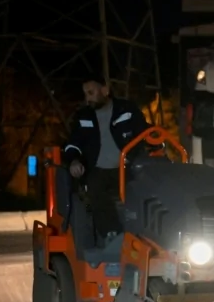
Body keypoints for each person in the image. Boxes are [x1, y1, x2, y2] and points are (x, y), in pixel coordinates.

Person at [62, 74, 153, 242]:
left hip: (128, 167)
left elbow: (145, 131)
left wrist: (156, 142)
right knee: (94, 188)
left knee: (147, 186)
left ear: (105, 90)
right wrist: (74, 160)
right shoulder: (83, 116)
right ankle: (112, 235)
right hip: (98, 170)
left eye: (91, 93)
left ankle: (147, 235)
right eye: (85, 94)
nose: (87, 98)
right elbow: (73, 144)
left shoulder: (126, 109)